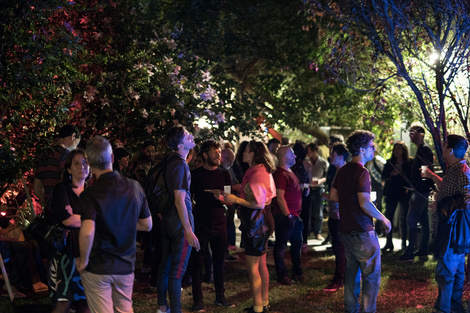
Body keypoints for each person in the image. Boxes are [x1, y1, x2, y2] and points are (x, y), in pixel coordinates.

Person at [76, 136, 152, 313]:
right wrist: (122, 223)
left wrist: (83, 260)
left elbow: (87, 232)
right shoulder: (134, 187)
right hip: (125, 265)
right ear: (111, 158)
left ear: (88, 161)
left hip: (98, 266)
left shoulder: (90, 194)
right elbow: (147, 225)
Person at [329, 130, 391, 313]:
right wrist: (384, 218)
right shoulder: (362, 172)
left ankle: (351, 309)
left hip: (346, 231)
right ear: (362, 149)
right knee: (371, 277)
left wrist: (349, 202)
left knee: (351, 274)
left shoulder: (343, 171)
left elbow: (333, 196)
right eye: (372, 146)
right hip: (362, 232)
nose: (374, 149)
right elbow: (364, 202)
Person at [223, 140, 276, 313]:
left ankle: (258, 307)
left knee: (252, 266)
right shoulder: (263, 170)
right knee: (261, 264)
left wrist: (235, 199)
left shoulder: (257, 172)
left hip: (256, 224)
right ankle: (264, 302)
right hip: (260, 222)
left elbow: (258, 203)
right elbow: (265, 199)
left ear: (253, 154)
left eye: (245, 150)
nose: (243, 153)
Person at [423, 134, 470, 313]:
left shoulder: (461, 171)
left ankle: (444, 309)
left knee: (446, 273)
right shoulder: (455, 169)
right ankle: (454, 307)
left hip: (453, 231)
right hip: (454, 231)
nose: (442, 149)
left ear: (450, 150)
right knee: (456, 271)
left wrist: (439, 204)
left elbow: (466, 199)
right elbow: (452, 191)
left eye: (444, 146)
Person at [156, 126, 200, 313]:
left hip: (167, 219)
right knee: (177, 271)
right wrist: (188, 230)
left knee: (166, 266)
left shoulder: (169, 162)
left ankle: (162, 306)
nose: (192, 136)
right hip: (179, 223)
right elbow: (179, 200)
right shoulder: (180, 165)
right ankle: (176, 310)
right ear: (181, 145)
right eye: (187, 136)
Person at [190, 140, 235, 311]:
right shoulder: (195, 175)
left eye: (219, 151)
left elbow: (230, 200)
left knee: (219, 262)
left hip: (220, 223)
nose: (218, 155)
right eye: (214, 152)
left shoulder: (224, 175)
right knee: (198, 263)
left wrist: (222, 197)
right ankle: (198, 300)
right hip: (201, 223)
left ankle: (220, 297)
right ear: (205, 155)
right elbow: (188, 198)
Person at [50, 149, 90, 313]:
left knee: (84, 302)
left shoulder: (91, 192)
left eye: (85, 163)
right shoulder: (62, 189)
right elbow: (67, 219)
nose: (82, 166)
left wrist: (77, 217)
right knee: (64, 301)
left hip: (86, 252)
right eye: (76, 163)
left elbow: (75, 219)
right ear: (68, 169)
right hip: (66, 254)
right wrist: (91, 220)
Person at [400, 124, 434, 262]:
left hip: (420, 191)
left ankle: (410, 253)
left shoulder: (424, 150)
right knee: (423, 221)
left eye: (413, 133)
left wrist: (418, 187)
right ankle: (423, 251)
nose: (410, 135)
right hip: (420, 190)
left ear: (421, 134)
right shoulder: (422, 149)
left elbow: (425, 172)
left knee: (411, 220)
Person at [272, 146, 305, 286]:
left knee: (297, 244)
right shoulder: (281, 174)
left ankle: (297, 271)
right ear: (284, 158)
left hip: (294, 215)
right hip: (286, 216)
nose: (295, 157)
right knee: (281, 245)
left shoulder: (288, 172)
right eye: (292, 154)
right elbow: (279, 197)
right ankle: (282, 274)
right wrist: (288, 215)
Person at [323, 142, 349, 292]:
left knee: (340, 249)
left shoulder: (342, 173)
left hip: (339, 216)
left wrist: (326, 195)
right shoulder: (337, 171)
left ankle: (339, 279)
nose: (330, 156)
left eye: (333, 154)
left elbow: (342, 197)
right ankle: (342, 277)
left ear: (340, 156)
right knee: (338, 248)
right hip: (335, 215)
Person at [34, 125, 80, 211]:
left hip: (50, 211)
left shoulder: (44, 156)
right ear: (73, 136)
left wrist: (48, 202)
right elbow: (66, 182)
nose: (75, 147)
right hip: (64, 211)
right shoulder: (65, 155)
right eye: (77, 143)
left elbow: (36, 189)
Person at [381, 141, 412, 252]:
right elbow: (383, 177)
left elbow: (411, 178)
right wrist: (391, 174)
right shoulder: (390, 163)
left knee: (403, 218)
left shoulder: (409, 163)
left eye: (399, 149)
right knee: (388, 217)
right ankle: (389, 243)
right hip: (391, 193)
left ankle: (404, 243)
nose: (397, 151)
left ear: (404, 151)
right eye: (395, 149)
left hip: (404, 193)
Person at [305, 142, 329, 241]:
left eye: (310, 152)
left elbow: (327, 177)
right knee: (308, 212)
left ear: (315, 152)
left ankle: (317, 233)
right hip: (308, 189)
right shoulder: (306, 162)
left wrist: (320, 181)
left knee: (319, 212)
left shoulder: (323, 163)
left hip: (320, 189)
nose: (308, 154)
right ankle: (307, 232)